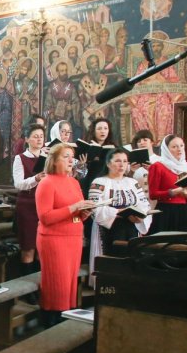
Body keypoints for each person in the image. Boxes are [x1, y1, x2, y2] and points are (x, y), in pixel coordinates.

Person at [35, 143, 92, 327]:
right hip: (54, 239)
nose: (70, 160)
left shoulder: (74, 182)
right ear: (54, 160)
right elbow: (45, 217)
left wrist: (85, 212)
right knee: (56, 282)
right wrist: (74, 208)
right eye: (66, 156)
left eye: (72, 157)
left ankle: (66, 316)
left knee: (69, 282)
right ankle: (51, 319)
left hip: (73, 238)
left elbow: (76, 214)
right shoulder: (47, 182)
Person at [87, 148, 150, 281]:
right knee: (112, 262)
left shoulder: (132, 182)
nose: (122, 164)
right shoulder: (99, 182)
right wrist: (118, 212)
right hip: (109, 227)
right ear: (109, 163)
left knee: (130, 260)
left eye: (125, 161)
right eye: (117, 161)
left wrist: (140, 216)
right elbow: (94, 208)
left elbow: (144, 204)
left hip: (131, 226)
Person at [147, 134, 187, 232]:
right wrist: (174, 191)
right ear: (166, 149)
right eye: (174, 147)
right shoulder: (158, 166)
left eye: (181, 145)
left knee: (182, 245)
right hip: (165, 211)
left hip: (183, 211)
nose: (179, 149)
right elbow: (153, 194)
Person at [13, 122, 47, 270]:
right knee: (28, 249)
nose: (39, 140)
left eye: (41, 137)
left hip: (45, 205)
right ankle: (27, 290)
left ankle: (41, 287)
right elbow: (18, 184)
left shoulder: (48, 157)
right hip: (27, 206)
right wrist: (36, 179)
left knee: (43, 249)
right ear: (27, 139)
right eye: (35, 137)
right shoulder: (20, 158)